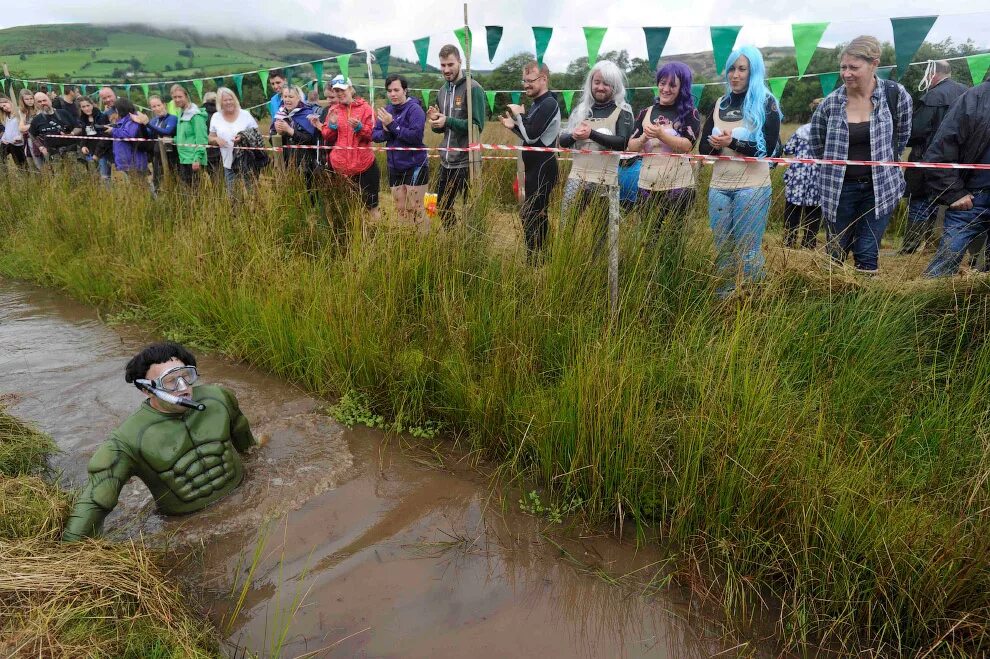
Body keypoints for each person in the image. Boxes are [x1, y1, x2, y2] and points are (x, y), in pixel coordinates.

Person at [61, 342, 258, 541]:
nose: (183, 388)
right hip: (185, 529)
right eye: (170, 381)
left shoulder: (220, 399)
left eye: (186, 376)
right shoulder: (126, 441)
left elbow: (249, 447)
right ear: (147, 390)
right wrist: (68, 554)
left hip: (245, 496)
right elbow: (97, 502)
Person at [809, 35, 912, 275]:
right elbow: (816, 143)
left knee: (867, 251)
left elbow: (902, 137)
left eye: (854, 67)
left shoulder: (896, 96)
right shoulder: (831, 104)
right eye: (843, 67)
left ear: (874, 64)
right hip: (839, 189)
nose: (846, 74)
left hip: (880, 188)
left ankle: (863, 304)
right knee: (835, 250)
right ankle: (831, 305)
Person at [699, 45, 782, 296]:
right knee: (724, 249)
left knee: (748, 250)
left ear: (753, 71)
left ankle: (756, 299)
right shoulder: (720, 103)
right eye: (731, 69)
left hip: (752, 187)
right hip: (719, 187)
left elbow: (766, 150)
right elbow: (703, 147)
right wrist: (714, 145)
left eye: (741, 69)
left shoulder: (767, 103)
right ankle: (726, 300)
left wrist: (731, 142)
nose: (735, 75)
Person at [559, 60, 635, 249]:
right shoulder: (581, 110)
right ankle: (564, 269)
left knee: (601, 235)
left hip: (606, 181)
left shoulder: (623, 111)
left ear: (615, 86)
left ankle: (599, 273)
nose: (600, 87)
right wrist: (573, 135)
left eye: (606, 83)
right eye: (597, 82)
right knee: (565, 226)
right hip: (576, 177)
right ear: (590, 83)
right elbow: (563, 142)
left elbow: (622, 143)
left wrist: (591, 134)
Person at [922, 78, 990, 278]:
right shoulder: (974, 98)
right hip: (972, 199)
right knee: (943, 267)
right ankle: (925, 307)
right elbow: (941, 151)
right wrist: (954, 192)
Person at [899, 60, 969, 254]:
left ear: (932, 74)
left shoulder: (932, 96)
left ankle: (909, 250)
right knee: (950, 204)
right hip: (958, 161)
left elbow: (916, 132)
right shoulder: (966, 92)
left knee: (920, 203)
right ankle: (933, 247)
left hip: (927, 159)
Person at [627, 61, 701, 241]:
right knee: (648, 239)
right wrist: (645, 137)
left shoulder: (690, 113)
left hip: (679, 188)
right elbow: (631, 146)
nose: (666, 88)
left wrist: (661, 134)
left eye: (672, 85)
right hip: (646, 187)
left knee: (674, 240)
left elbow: (687, 145)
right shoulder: (645, 112)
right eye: (662, 83)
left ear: (682, 88)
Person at [499, 60, 561, 259]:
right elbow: (530, 135)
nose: (526, 85)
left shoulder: (549, 103)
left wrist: (518, 116)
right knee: (533, 215)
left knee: (533, 214)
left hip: (544, 167)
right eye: (524, 81)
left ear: (543, 79)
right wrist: (513, 125)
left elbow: (533, 136)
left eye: (530, 80)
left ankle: (537, 260)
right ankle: (538, 258)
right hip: (533, 167)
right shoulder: (537, 103)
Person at [427, 44, 486, 229]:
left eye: (450, 64)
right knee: (433, 203)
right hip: (446, 160)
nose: (446, 69)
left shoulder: (473, 88)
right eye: (443, 65)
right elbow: (442, 129)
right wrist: (436, 122)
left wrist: (447, 121)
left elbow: (477, 127)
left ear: (460, 62)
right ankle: (451, 239)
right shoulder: (442, 91)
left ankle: (468, 247)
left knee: (471, 210)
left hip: (467, 161)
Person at [312, 76, 379, 218]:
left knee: (370, 209)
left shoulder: (366, 109)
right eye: (336, 90)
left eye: (342, 90)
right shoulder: (333, 110)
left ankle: (373, 237)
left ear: (351, 89)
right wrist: (332, 126)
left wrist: (360, 128)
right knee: (346, 208)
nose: (339, 93)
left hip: (364, 167)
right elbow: (327, 136)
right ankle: (349, 238)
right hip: (340, 169)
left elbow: (374, 135)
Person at [372, 74, 429, 231]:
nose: (393, 94)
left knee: (417, 208)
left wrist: (391, 125)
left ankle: (426, 245)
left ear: (405, 90)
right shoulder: (387, 110)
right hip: (394, 166)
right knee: (401, 208)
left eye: (396, 90)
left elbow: (415, 137)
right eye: (389, 91)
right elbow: (375, 135)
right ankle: (407, 244)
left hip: (415, 164)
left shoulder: (415, 109)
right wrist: (385, 132)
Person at [780, 99, 823, 249]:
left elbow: (789, 149)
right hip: (818, 175)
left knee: (792, 209)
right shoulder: (828, 131)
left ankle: (789, 241)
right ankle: (809, 243)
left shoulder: (801, 130)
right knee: (814, 210)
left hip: (798, 174)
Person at [209, 87, 259, 193]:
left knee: (252, 194)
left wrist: (243, 137)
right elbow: (210, 137)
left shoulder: (245, 114)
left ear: (234, 99)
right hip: (228, 163)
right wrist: (216, 139)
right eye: (225, 100)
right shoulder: (216, 117)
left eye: (230, 99)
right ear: (220, 102)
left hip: (247, 161)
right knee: (232, 196)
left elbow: (256, 134)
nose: (228, 102)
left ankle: (254, 209)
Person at [271, 84, 319, 176]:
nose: (287, 100)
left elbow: (310, 139)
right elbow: (272, 140)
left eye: (291, 97)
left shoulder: (307, 114)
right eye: (285, 96)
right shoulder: (280, 114)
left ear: (298, 98)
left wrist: (290, 130)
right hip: (285, 163)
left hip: (305, 164)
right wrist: (279, 133)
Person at [171, 84, 208, 185]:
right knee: (188, 193)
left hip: (194, 160)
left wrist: (197, 159)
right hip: (183, 158)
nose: (177, 99)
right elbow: (184, 136)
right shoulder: (181, 113)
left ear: (186, 96)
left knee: (197, 194)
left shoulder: (196, 115)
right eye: (174, 97)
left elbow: (202, 138)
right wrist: (173, 140)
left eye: (180, 96)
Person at [139, 95, 179, 191]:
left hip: (171, 156)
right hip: (157, 157)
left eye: (158, 105)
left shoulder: (172, 118)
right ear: (151, 108)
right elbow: (148, 136)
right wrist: (142, 125)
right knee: (157, 182)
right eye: (154, 107)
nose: (157, 108)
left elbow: (167, 132)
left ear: (164, 105)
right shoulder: (154, 121)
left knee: (173, 182)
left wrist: (147, 124)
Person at [28, 91, 77, 168]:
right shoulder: (36, 120)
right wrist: (40, 147)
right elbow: (31, 134)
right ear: (36, 105)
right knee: (59, 177)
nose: (43, 103)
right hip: (53, 153)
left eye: (44, 100)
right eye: (39, 102)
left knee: (77, 175)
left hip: (71, 150)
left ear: (50, 101)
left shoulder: (63, 113)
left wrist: (72, 133)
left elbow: (78, 127)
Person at [110, 98, 150, 185]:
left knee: (142, 185)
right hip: (128, 160)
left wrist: (113, 130)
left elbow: (128, 134)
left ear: (120, 109)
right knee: (136, 186)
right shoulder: (125, 120)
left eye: (116, 109)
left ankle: (152, 198)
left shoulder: (133, 119)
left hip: (134, 160)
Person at [75, 96, 111, 172]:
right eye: (83, 107)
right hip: (89, 152)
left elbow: (106, 136)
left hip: (102, 153)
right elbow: (84, 135)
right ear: (81, 108)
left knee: (104, 177)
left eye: (88, 105)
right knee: (93, 177)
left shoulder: (102, 117)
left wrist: (97, 154)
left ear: (92, 105)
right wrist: (83, 146)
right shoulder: (82, 119)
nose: (86, 109)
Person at [0, 95, 27, 168]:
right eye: (2, 108)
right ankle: (4, 176)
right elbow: (7, 129)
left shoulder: (19, 112)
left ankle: (27, 178)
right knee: (1, 159)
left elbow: (23, 128)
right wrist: (3, 139)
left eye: (4, 105)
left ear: (9, 102)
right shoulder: (6, 116)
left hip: (17, 143)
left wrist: (20, 137)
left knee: (21, 164)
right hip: (7, 143)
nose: (4, 108)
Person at [202, 91, 222, 175]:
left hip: (203, 150)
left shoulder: (200, 113)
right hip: (221, 150)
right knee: (219, 178)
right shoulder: (222, 113)